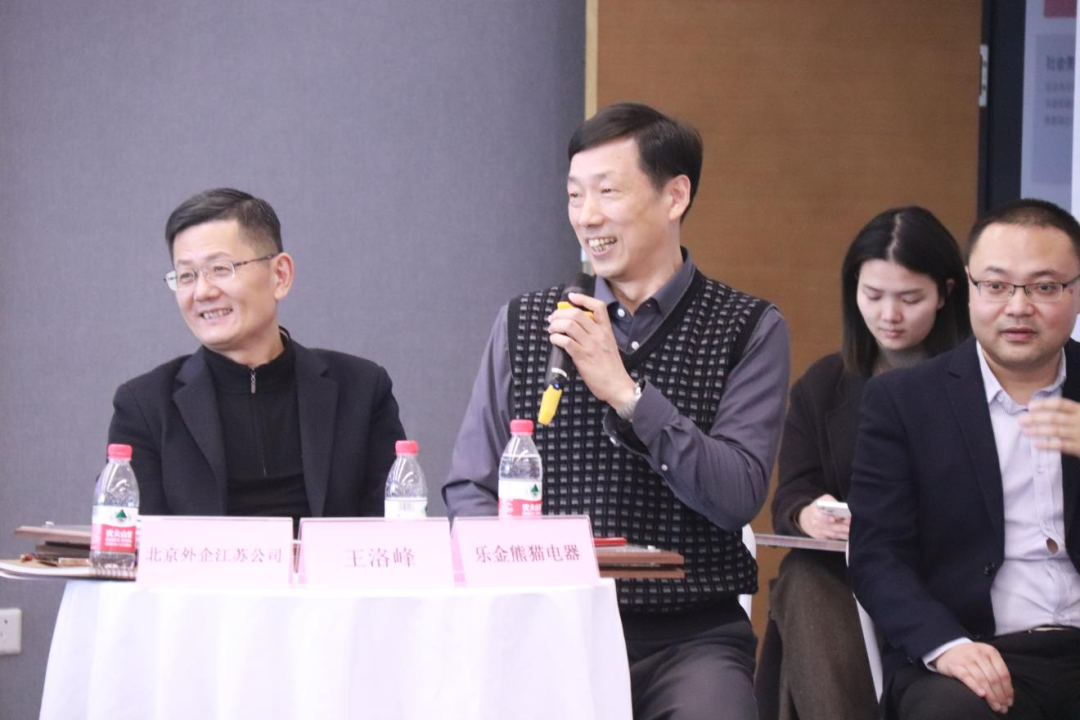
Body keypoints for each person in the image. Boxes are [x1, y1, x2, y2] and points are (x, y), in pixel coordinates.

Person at [443, 102, 790, 720]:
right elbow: (472, 486)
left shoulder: (748, 327)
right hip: (548, 624)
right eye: (575, 195)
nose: (587, 216)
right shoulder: (527, 321)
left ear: (675, 195)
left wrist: (628, 394)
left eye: (608, 192)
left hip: (690, 638)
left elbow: (738, 492)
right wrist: (507, 585)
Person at [848, 198, 1080, 720]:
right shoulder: (905, 402)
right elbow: (877, 556)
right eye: (996, 286)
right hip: (971, 651)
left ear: (1076, 291)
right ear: (970, 288)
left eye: (1044, 287)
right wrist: (946, 646)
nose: (1018, 307)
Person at [762, 207, 970, 720]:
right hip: (849, 577)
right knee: (804, 577)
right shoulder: (825, 384)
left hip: (946, 575)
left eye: (909, 299)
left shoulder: (975, 380)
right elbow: (792, 494)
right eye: (873, 296)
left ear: (945, 293)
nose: (889, 315)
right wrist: (809, 515)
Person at [108, 188, 405, 529]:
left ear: (280, 275)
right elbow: (137, 545)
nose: (202, 292)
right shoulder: (145, 406)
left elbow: (394, 534)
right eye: (186, 276)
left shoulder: (362, 390)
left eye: (220, 269)